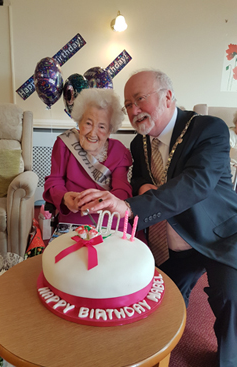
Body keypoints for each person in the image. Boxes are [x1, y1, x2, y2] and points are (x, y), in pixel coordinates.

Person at [77, 70, 237, 367]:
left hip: (220, 234)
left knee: (230, 299)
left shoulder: (209, 129)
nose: (134, 110)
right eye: (128, 105)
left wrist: (129, 206)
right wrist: (141, 186)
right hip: (176, 239)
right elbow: (139, 174)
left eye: (140, 99)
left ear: (167, 96)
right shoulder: (139, 143)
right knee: (157, 301)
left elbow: (197, 183)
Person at [43, 88, 132, 233]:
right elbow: (54, 181)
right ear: (79, 122)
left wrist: (103, 202)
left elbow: (122, 190)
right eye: (88, 123)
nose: (92, 133)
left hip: (109, 218)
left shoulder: (119, 151)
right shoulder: (64, 144)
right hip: (74, 217)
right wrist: (65, 198)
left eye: (101, 127)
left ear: (110, 130)